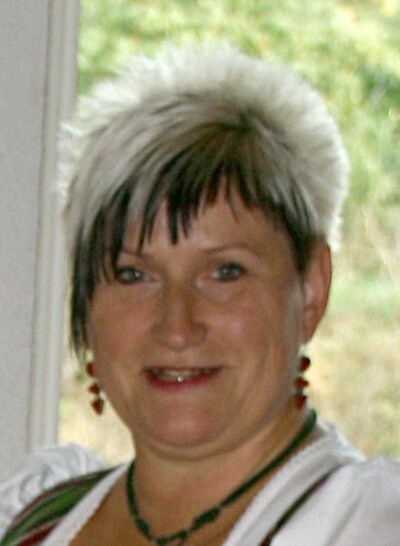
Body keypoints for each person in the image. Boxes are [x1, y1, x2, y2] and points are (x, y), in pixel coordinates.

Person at [0, 43, 399, 546]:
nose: (176, 326)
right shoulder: (35, 519)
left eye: (225, 272)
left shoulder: (367, 526)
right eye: (133, 275)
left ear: (312, 289)